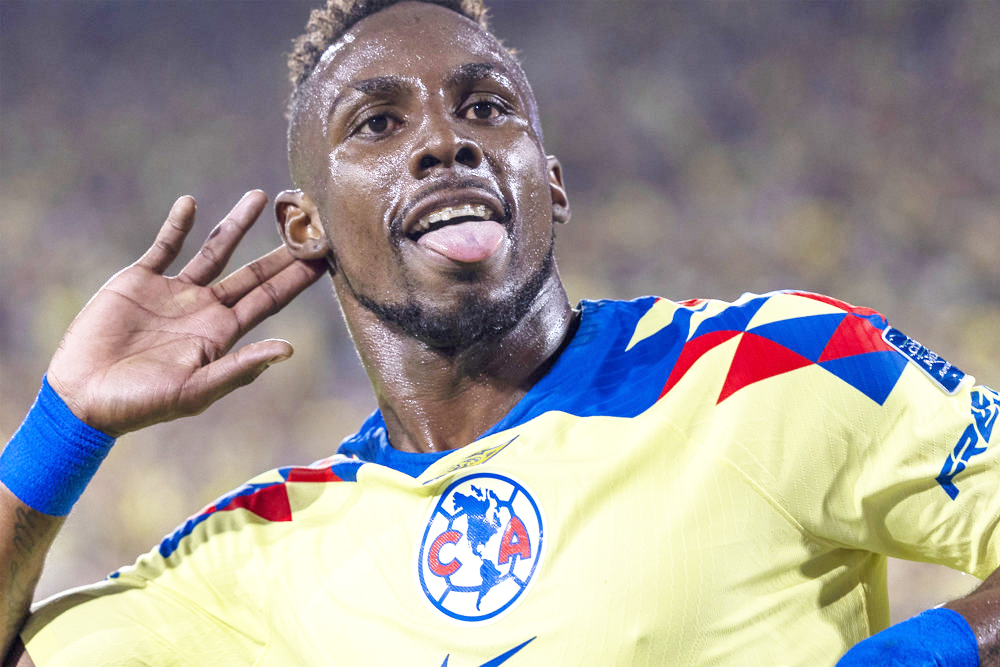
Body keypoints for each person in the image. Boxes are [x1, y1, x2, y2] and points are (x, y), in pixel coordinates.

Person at [1, 0, 998, 664]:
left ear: (549, 183)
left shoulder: (770, 363)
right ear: (308, 228)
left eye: (485, 108)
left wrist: (926, 654)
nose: (446, 141)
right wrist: (63, 428)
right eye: (376, 124)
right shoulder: (263, 549)